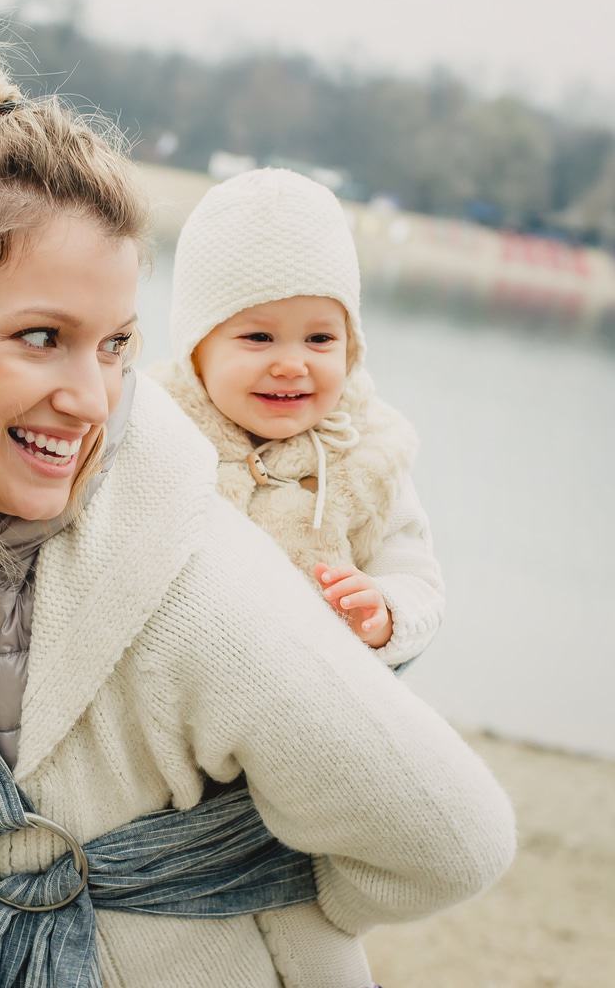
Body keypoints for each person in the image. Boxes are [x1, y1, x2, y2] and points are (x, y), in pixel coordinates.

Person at [0, 17, 515, 988]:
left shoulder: (188, 580)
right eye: (42, 336)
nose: (90, 397)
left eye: (116, 345)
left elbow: (452, 840)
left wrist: (226, 882)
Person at [151, 167, 447, 983]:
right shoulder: (154, 437)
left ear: (352, 345)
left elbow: (419, 577)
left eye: (320, 340)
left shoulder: (371, 453)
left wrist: (383, 613)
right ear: (195, 345)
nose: (293, 366)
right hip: (174, 730)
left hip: (308, 727)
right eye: (257, 338)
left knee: (318, 936)